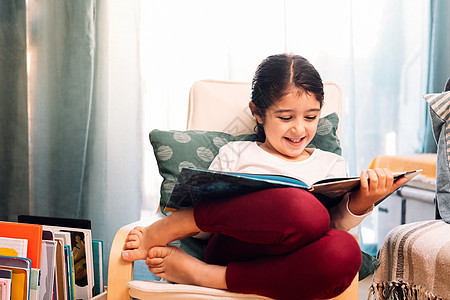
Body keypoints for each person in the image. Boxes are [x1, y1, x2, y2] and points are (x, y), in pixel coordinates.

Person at [121, 54, 407, 299]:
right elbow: (211, 228)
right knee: (304, 209)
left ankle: (203, 276)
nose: (299, 130)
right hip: (235, 248)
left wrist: (361, 202)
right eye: (285, 117)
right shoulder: (238, 154)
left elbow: (333, 231)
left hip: (291, 263)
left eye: (310, 117)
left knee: (345, 251)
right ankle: (174, 224)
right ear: (258, 113)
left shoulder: (332, 164)